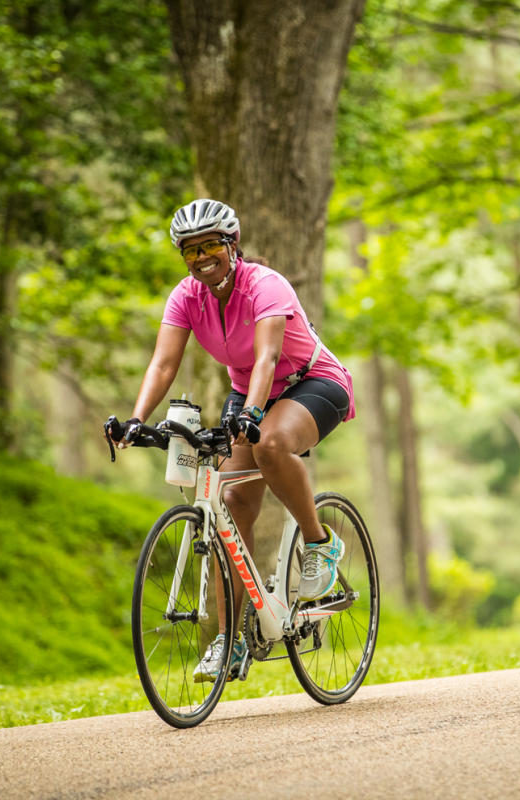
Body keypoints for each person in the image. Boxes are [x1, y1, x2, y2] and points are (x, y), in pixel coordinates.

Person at [115, 198, 355, 682]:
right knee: (229, 502)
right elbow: (163, 364)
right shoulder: (185, 297)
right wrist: (136, 420)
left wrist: (250, 416)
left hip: (312, 381)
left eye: (210, 246)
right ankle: (231, 640)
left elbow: (267, 359)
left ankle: (319, 544)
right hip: (250, 393)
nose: (201, 257)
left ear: (232, 244)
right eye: (190, 251)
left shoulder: (265, 285)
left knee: (268, 445)